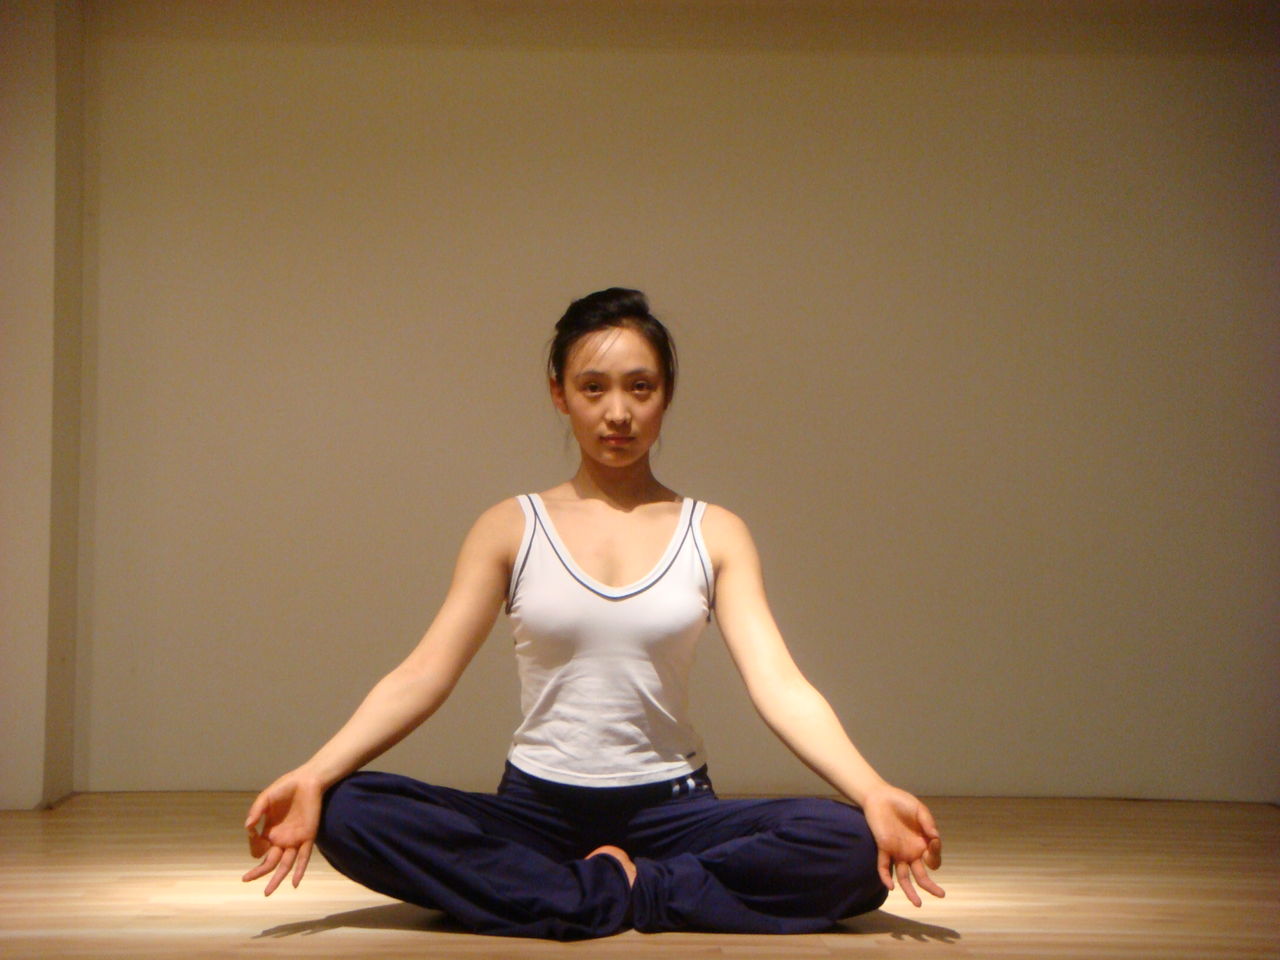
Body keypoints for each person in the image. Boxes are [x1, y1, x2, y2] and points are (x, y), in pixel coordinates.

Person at [242, 287, 944, 940]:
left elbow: (781, 685)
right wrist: (315, 773)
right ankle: (635, 891)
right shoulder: (510, 526)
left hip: (674, 809)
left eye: (641, 387)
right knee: (349, 811)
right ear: (559, 394)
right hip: (536, 809)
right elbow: (423, 673)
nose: (618, 413)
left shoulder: (715, 532)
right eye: (593, 387)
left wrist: (873, 790)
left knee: (855, 846)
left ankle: (590, 893)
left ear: (666, 395)